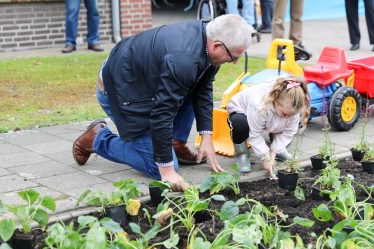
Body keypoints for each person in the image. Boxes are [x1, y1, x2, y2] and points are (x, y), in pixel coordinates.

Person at [72, 15, 253, 191]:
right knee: (161, 167)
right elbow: (162, 113)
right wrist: (166, 170)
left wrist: (206, 135)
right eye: (233, 57)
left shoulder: (209, 36)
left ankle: (175, 141)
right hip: (121, 91)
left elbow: (203, 86)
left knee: (190, 83)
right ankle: (97, 138)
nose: (234, 62)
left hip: (145, 81)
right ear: (217, 45)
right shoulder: (184, 59)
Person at [226, 76, 310, 177]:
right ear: (275, 100)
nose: (288, 117)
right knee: (240, 125)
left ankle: (279, 150)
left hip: (269, 114)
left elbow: (289, 132)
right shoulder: (259, 105)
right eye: (285, 113)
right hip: (242, 110)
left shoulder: (292, 107)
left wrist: (273, 152)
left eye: (291, 115)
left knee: (285, 121)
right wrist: (265, 157)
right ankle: (242, 154)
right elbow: (255, 134)